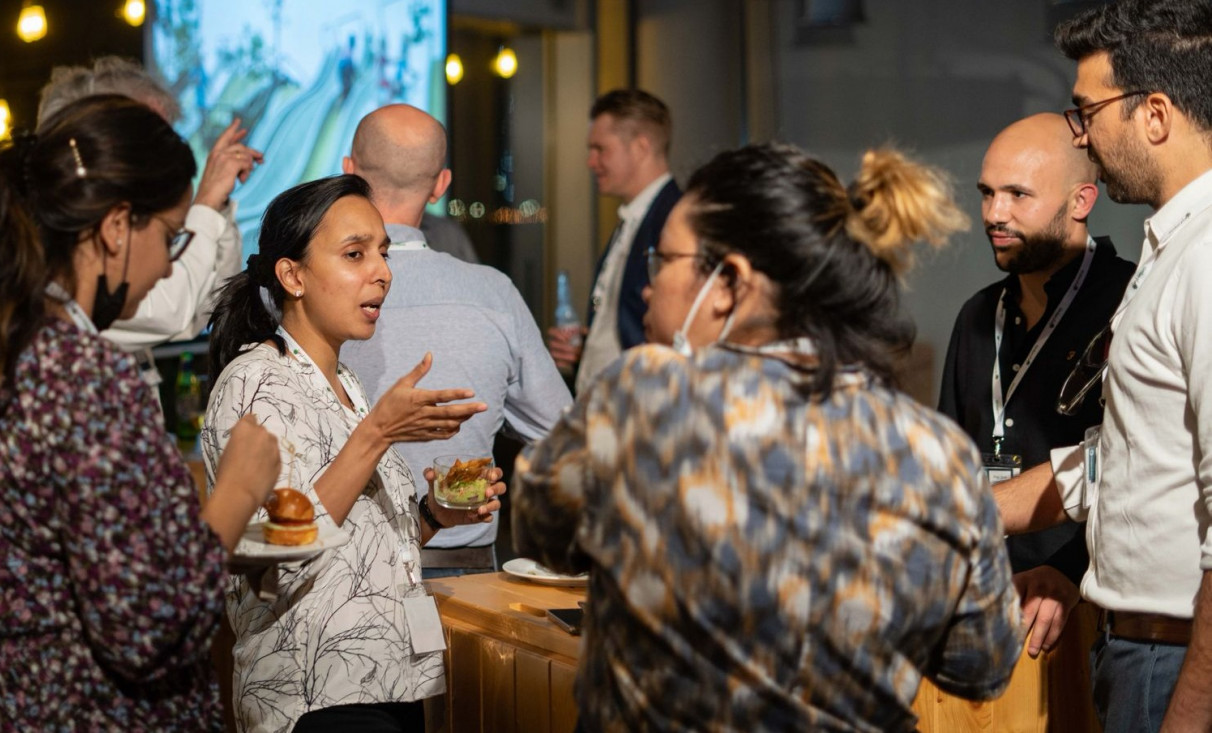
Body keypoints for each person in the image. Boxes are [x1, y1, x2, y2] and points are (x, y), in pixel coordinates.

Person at [513, 142, 1021, 731]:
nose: (649, 288)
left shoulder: (644, 397)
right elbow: (981, 665)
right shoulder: (940, 453)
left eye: (663, 262)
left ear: (728, 282)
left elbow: (540, 532)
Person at [0, 95, 280, 729]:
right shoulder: (86, 378)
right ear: (116, 226)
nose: (168, 263)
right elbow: (150, 628)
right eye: (168, 235)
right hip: (73, 707)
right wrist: (237, 494)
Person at [202, 174, 503, 732]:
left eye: (383, 253)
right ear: (292, 275)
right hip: (314, 696)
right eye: (355, 254)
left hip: (385, 681)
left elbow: (357, 548)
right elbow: (276, 557)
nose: (382, 272)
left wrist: (436, 514)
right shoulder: (256, 383)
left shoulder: (343, 381)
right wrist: (377, 435)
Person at [994, 2, 1212, 730]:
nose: (1081, 135)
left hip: (1176, 657)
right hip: (1133, 650)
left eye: (1087, 112)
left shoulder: (1206, 258)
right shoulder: (1170, 248)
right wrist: (973, 511)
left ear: (1155, 114)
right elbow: (1122, 456)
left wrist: (1187, 713)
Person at [339, 104, 572, 578]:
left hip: (339, 558)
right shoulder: (492, 293)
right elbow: (564, 434)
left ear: (349, 173)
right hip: (462, 567)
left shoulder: (307, 290)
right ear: (441, 185)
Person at [940, 113, 1134, 664]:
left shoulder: (1129, 303)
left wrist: (1072, 569)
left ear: (1081, 201)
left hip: (1085, 615)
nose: (994, 215)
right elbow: (950, 470)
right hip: (983, 609)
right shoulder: (979, 314)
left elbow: (1138, 472)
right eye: (987, 194)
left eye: (1018, 195)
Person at [38, 56, 260, 354]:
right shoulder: (66, 260)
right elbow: (169, 310)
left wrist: (216, 204)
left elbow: (207, 306)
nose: (167, 269)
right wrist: (205, 204)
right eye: (151, 142)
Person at [547, 89, 681, 393]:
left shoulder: (675, 219)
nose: (590, 162)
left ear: (641, 147)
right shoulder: (632, 218)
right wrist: (589, 349)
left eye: (600, 149)